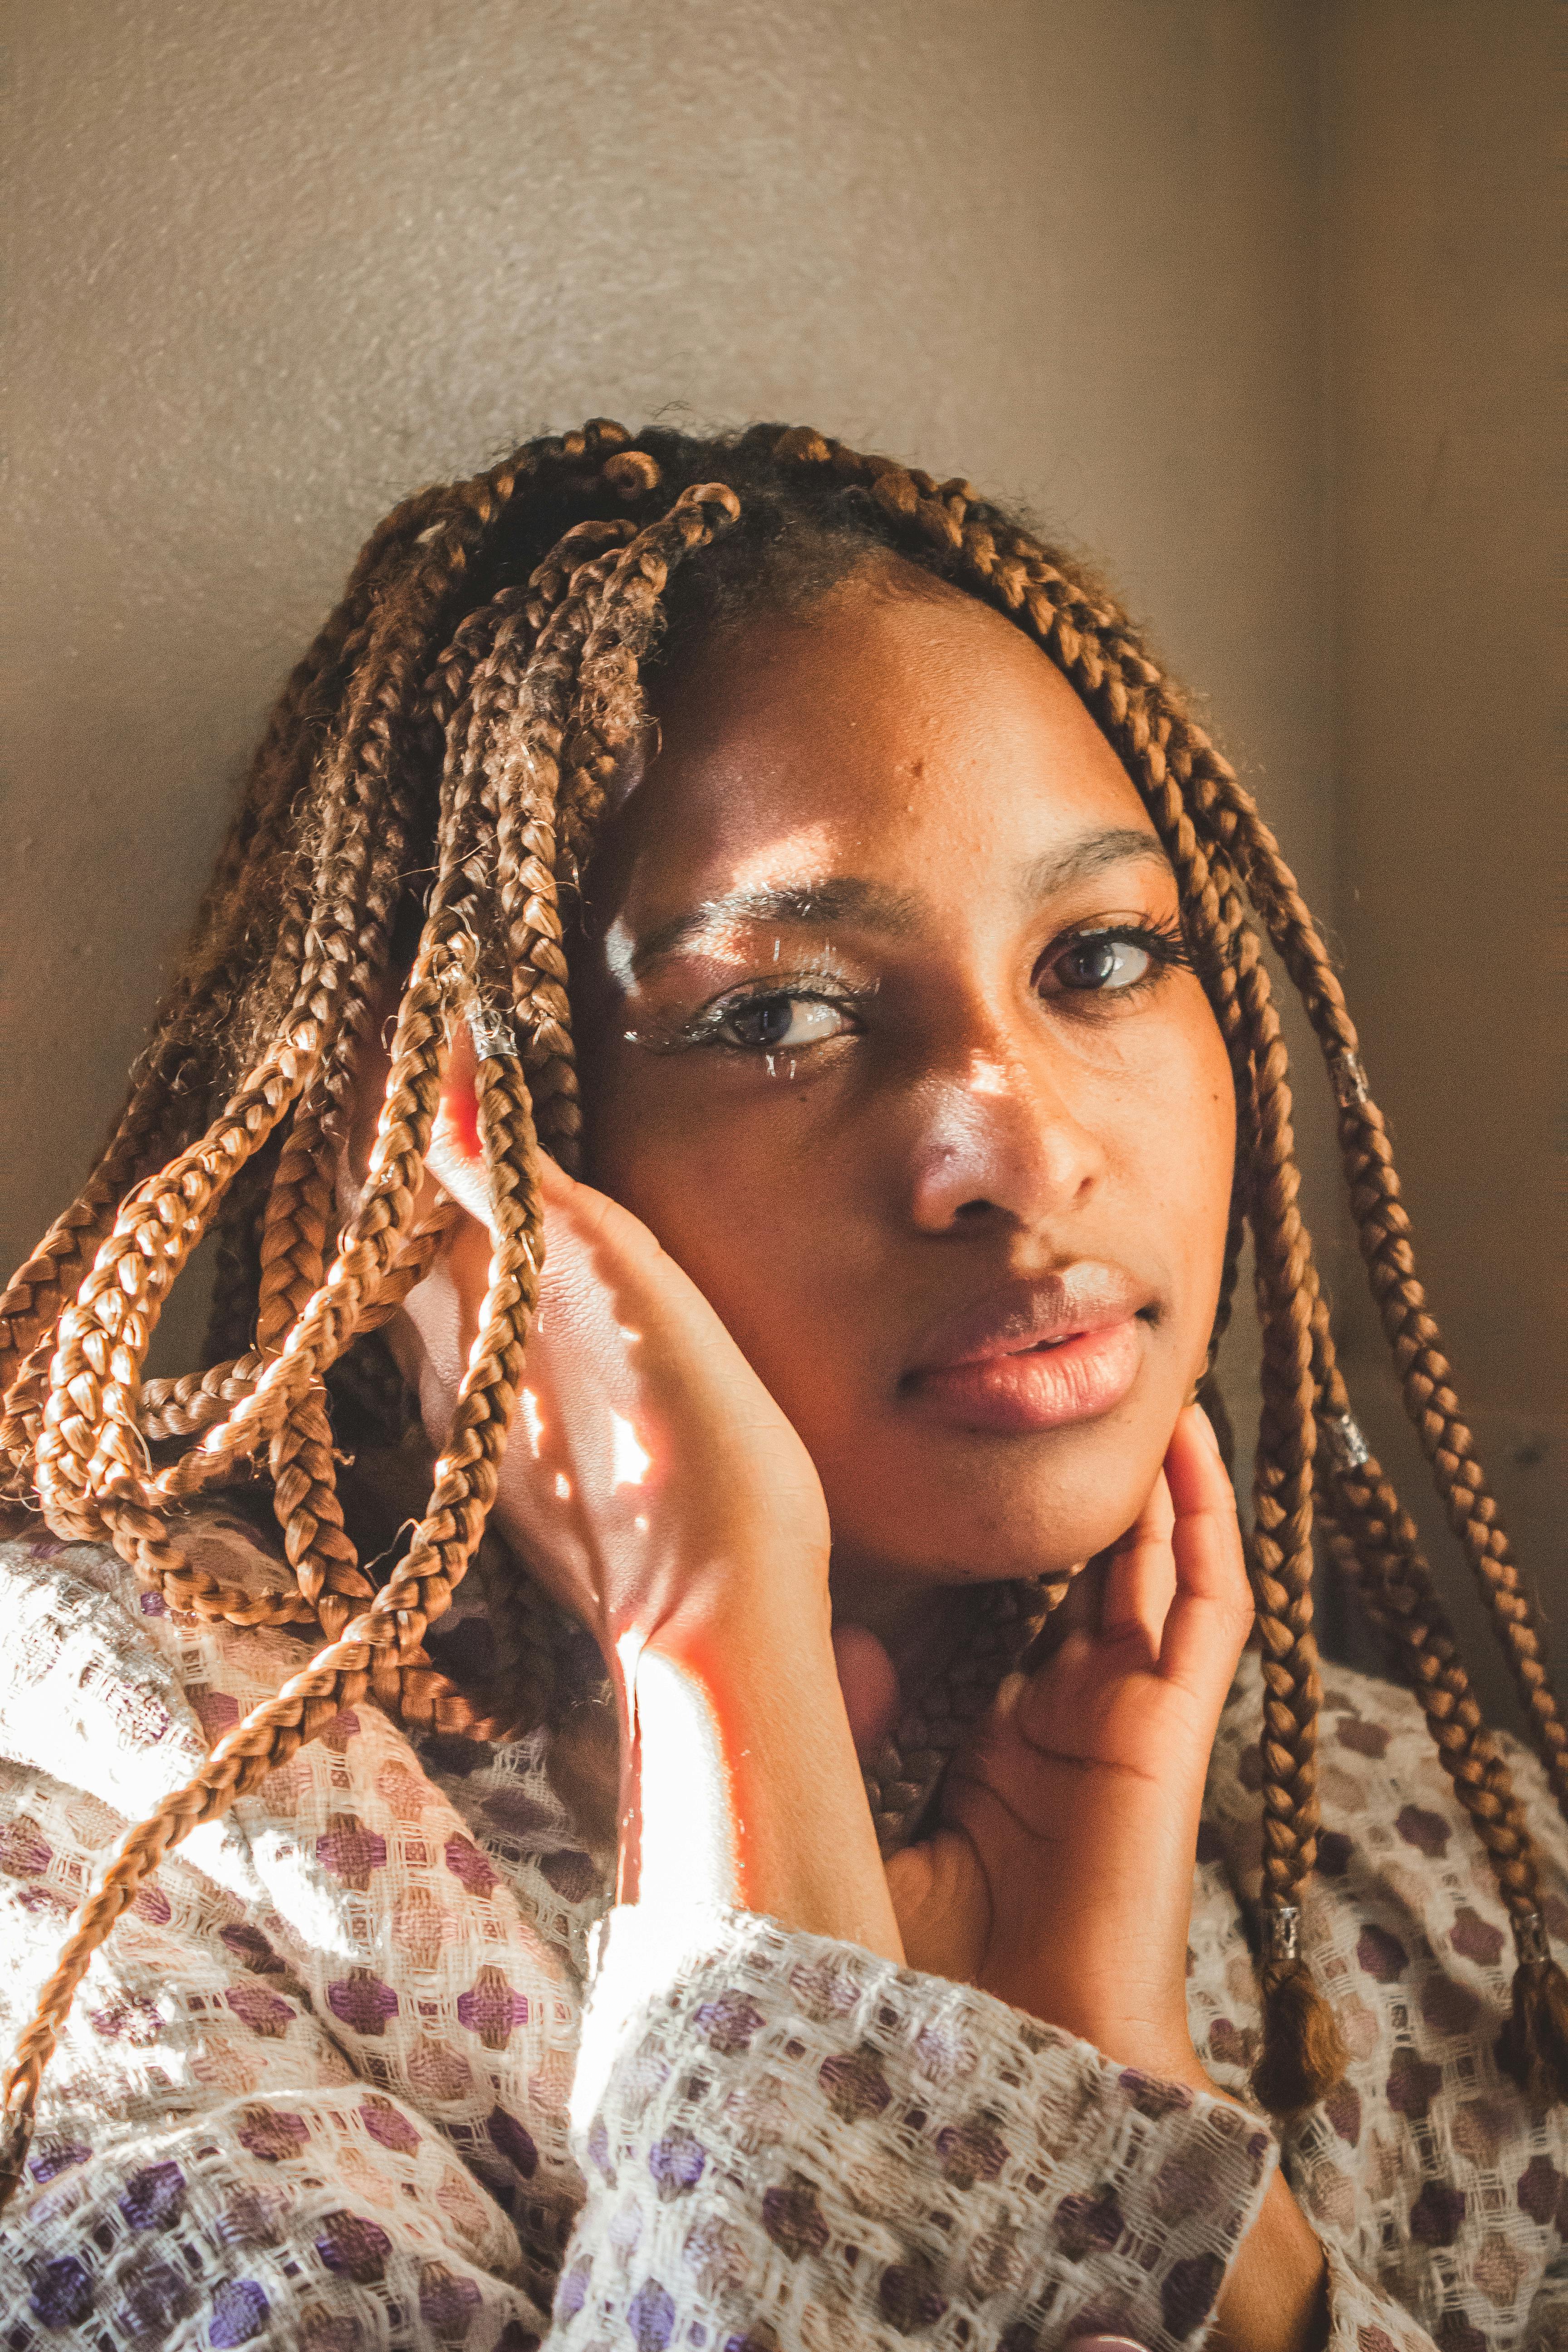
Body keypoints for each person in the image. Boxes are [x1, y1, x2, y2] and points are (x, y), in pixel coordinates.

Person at [0, 421, 1562, 2351]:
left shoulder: (1439, 1872)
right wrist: (713, 1658)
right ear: (452, 1183)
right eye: (778, 1014)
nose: (1022, 1147)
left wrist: (1133, 2112)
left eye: (1102, 956)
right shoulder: (116, 1879)